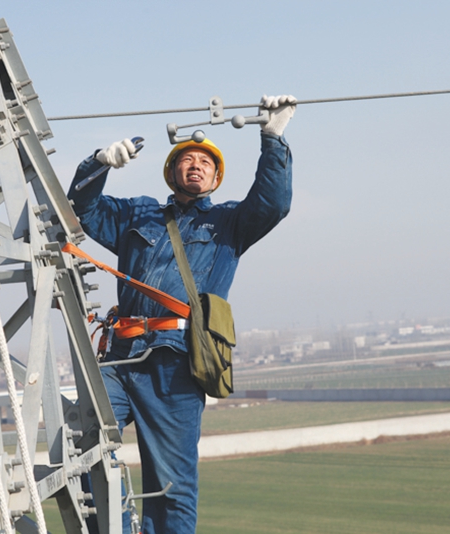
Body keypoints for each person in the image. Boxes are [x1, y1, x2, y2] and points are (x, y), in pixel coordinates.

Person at [66, 95, 296, 533]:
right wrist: (98, 163)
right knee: (83, 438)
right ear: (171, 173)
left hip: (175, 366)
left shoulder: (231, 224)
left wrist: (272, 138)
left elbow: (274, 204)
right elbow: (84, 208)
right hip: (121, 356)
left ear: (215, 178)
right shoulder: (138, 213)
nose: (195, 165)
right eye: (186, 159)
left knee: (172, 488)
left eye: (205, 163)